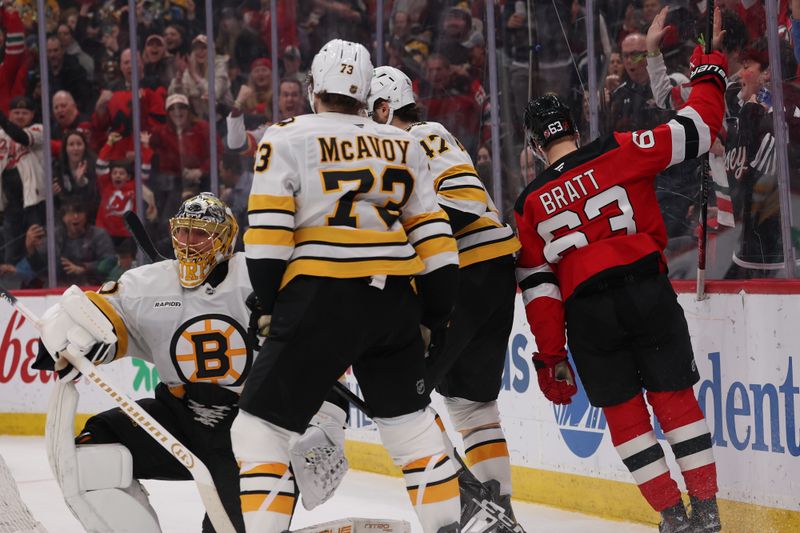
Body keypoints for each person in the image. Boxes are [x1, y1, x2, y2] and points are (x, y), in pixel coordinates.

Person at [231, 39, 461, 533]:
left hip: (319, 294)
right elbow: (437, 242)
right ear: (365, 93)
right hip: (395, 300)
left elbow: (268, 233)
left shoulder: (286, 135)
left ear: (314, 88)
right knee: (412, 430)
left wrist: (269, 304)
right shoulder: (403, 143)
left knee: (258, 431)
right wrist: (432, 318)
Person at [513, 27, 728, 533]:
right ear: (573, 124)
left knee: (625, 417)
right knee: (674, 398)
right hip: (645, 289)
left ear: (532, 143)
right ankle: (708, 515)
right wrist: (708, 69)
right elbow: (699, 128)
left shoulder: (528, 204)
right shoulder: (618, 149)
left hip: (588, 314)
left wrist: (551, 358)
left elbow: (540, 292)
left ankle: (673, 518)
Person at [33, 192, 351, 533]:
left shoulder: (262, 280)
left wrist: (328, 422)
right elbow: (97, 316)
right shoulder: (148, 285)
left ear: (225, 238)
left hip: (250, 430)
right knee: (92, 451)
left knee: (241, 528)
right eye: (183, 231)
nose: (188, 241)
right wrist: (66, 333)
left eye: (200, 232)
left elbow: (323, 354)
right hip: (178, 419)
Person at [367, 65, 520, 518]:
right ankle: (502, 512)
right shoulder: (436, 133)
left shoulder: (401, 140)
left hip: (460, 270)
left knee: (402, 396)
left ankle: (471, 503)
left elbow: (451, 212)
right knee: (472, 405)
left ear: (381, 108)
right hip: (494, 269)